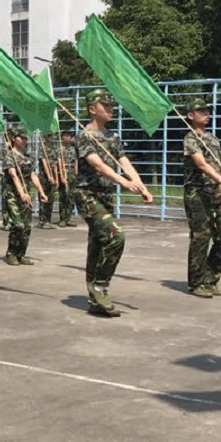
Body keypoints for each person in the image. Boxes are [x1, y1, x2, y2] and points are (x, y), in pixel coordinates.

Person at [75, 88, 153, 317]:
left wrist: (141, 186)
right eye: (106, 105)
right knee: (116, 236)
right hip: (87, 194)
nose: (111, 109)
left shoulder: (112, 137)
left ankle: (94, 300)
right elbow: (97, 165)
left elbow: (124, 162)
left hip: (105, 195)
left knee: (98, 244)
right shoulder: (84, 135)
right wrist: (123, 182)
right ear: (92, 109)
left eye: (111, 105)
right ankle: (100, 286)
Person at [182, 98, 221, 298]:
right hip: (197, 194)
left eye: (207, 111)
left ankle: (210, 279)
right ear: (191, 116)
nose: (207, 114)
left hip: (215, 194)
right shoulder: (190, 138)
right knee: (201, 238)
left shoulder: (213, 139)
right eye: (201, 111)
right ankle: (196, 282)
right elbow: (201, 164)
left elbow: (217, 167)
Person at [2, 126, 49, 266]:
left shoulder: (27, 157)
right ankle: (11, 253)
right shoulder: (9, 155)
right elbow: (13, 175)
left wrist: (41, 192)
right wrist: (21, 192)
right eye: (20, 138)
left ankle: (21, 254)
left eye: (25, 138)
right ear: (13, 139)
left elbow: (32, 175)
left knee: (27, 226)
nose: (23, 140)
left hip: (26, 196)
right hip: (12, 194)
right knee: (18, 224)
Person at [37, 132, 59, 229]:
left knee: (51, 198)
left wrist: (56, 178)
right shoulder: (42, 148)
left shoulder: (53, 150)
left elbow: (55, 165)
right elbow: (44, 163)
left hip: (52, 177)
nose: (51, 137)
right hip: (44, 177)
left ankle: (48, 220)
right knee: (43, 198)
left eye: (51, 136)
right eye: (49, 136)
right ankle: (42, 221)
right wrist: (49, 176)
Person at [56, 130, 78, 227]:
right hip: (64, 173)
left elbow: (76, 161)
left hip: (72, 174)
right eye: (65, 136)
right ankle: (62, 219)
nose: (67, 137)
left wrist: (76, 173)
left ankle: (68, 218)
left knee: (71, 197)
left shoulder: (74, 149)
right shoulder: (60, 149)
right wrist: (62, 176)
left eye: (68, 136)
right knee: (63, 197)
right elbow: (59, 163)